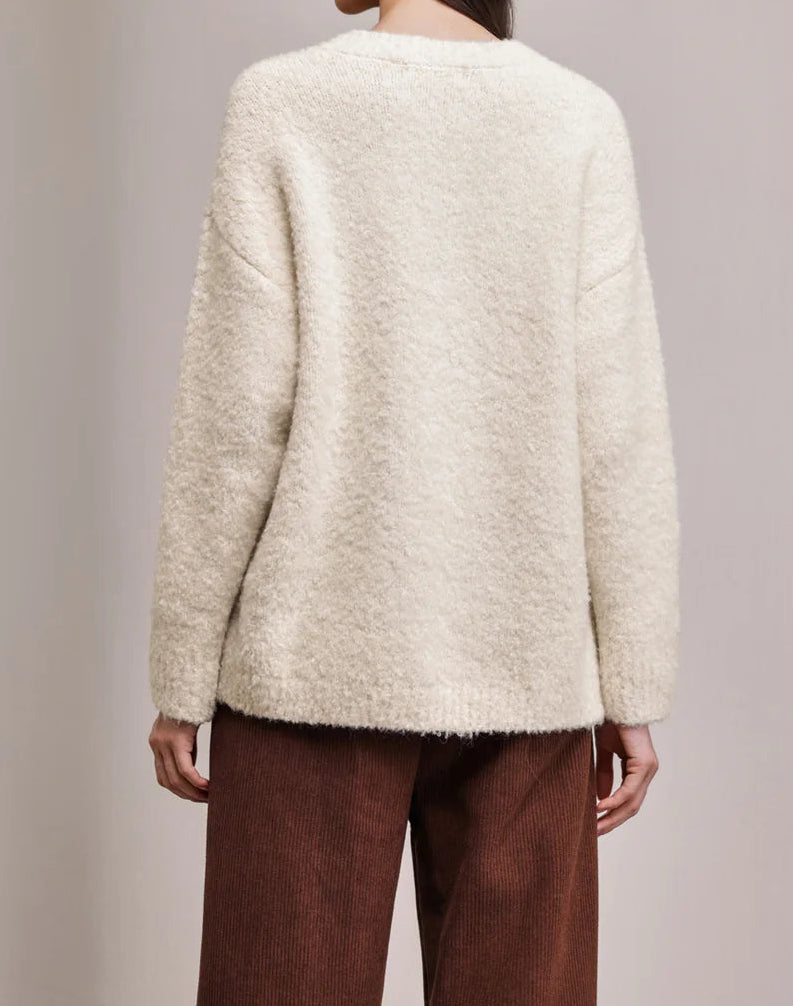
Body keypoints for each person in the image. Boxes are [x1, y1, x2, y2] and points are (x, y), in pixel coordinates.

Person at [147, 0, 680, 1002]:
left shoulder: (284, 102)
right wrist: (631, 688)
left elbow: (233, 415)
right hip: (525, 667)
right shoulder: (576, 119)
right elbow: (617, 429)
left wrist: (182, 672)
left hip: (310, 669)